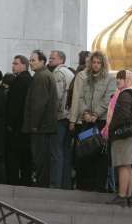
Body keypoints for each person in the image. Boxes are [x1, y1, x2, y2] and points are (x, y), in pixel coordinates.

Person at [69, 51, 115, 192]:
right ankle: (84, 185)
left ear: (102, 64)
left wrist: (96, 113)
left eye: (98, 62)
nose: (95, 65)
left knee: (100, 154)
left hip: (100, 121)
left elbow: (108, 99)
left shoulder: (109, 79)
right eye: (93, 62)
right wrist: (85, 113)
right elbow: (80, 97)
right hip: (86, 121)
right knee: (84, 152)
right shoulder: (85, 77)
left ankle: (99, 186)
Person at [104, 70, 132, 207]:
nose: (118, 80)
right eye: (118, 78)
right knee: (128, 166)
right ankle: (128, 196)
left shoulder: (124, 95)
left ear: (128, 80)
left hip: (122, 135)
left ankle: (121, 196)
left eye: (122, 78)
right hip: (129, 135)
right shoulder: (130, 94)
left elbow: (122, 115)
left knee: (123, 166)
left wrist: (111, 127)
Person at [23, 50, 58, 187]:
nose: (31, 63)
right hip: (45, 126)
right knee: (42, 157)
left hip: (41, 127)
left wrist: (34, 125)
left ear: (42, 62)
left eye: (33, 60)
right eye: (30, 60)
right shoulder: (44, 75)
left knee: (40, 158)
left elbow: (39, 104)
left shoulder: (41, 77)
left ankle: (41, 185)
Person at [48, 50, 75, 189]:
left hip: (60, 117)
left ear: (61, 60)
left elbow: (56, 97)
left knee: (56, 152)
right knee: (65, 152)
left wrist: (52, 115)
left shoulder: (58, 73)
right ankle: (65, 184)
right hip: (69, 117)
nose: (49, 60)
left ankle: (55, 184)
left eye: (53, 58)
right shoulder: (70, 73)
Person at [5, 55, 33, 186]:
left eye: (15, 63)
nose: (13, 66)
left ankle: (15, 180)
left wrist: (10, 123)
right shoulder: (27, 79)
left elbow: (15, 105)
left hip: (17, 126)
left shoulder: (21, 80)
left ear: (24, 65)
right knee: (25, 156)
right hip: (24, 125)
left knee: (15, 156)